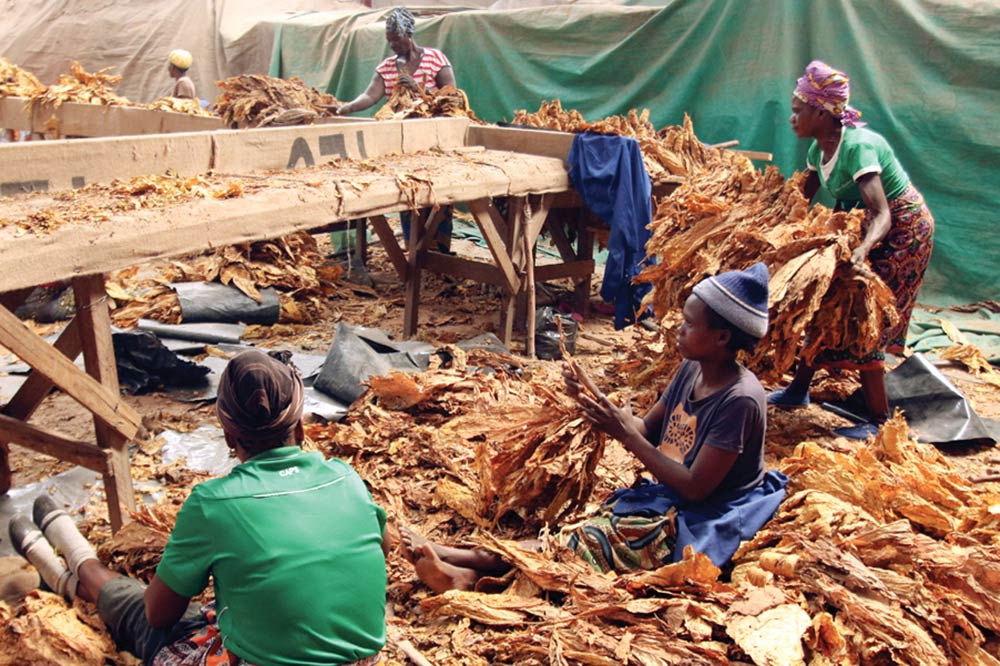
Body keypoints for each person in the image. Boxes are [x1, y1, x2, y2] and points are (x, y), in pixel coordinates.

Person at [402, 264, 788, 591]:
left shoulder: (740, 399)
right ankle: (463, 562)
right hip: (670, 499)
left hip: (705, 518)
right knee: (582, 528)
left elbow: (695, 486)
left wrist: (622, 433)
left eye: (689, 324)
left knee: (591, 543)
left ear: (722, 337)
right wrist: (592, 395)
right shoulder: (691, 369)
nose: (678, 330)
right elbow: (648, 429)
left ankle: (468, 575)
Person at [8, 349, 387, 666]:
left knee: (142, 613)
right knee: (210, 613)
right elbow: (379, 548)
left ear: (228, 435)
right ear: (300, 429)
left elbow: (158, 614)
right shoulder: (347, 478)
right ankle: (65, 567)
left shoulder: (214, 504)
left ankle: (74, 567)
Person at [769, 60, 935, 439]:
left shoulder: (857, 147)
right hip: (863, 229)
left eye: (798, 111)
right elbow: (797, 203)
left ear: (822, 112)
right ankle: (798, 390)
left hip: (901, 232)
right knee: (823, 301)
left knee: (863, 315)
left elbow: (882, 214)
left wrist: (861, 252)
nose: (792, 118)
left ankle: (877, 420)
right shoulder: (817, 151)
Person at [334, 7, 456, 253]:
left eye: (395, 39)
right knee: (409, 193)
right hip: (402, 144)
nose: (392, 45)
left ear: (408, 35)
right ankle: (415, 248)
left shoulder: (435, 59)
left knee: (438, 194)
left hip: (435, 142)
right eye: (388, 40)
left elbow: (452, 96)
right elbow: (370, 95)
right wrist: (346, 108)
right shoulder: (388, 67)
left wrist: (419, 89)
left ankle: (440, 249)